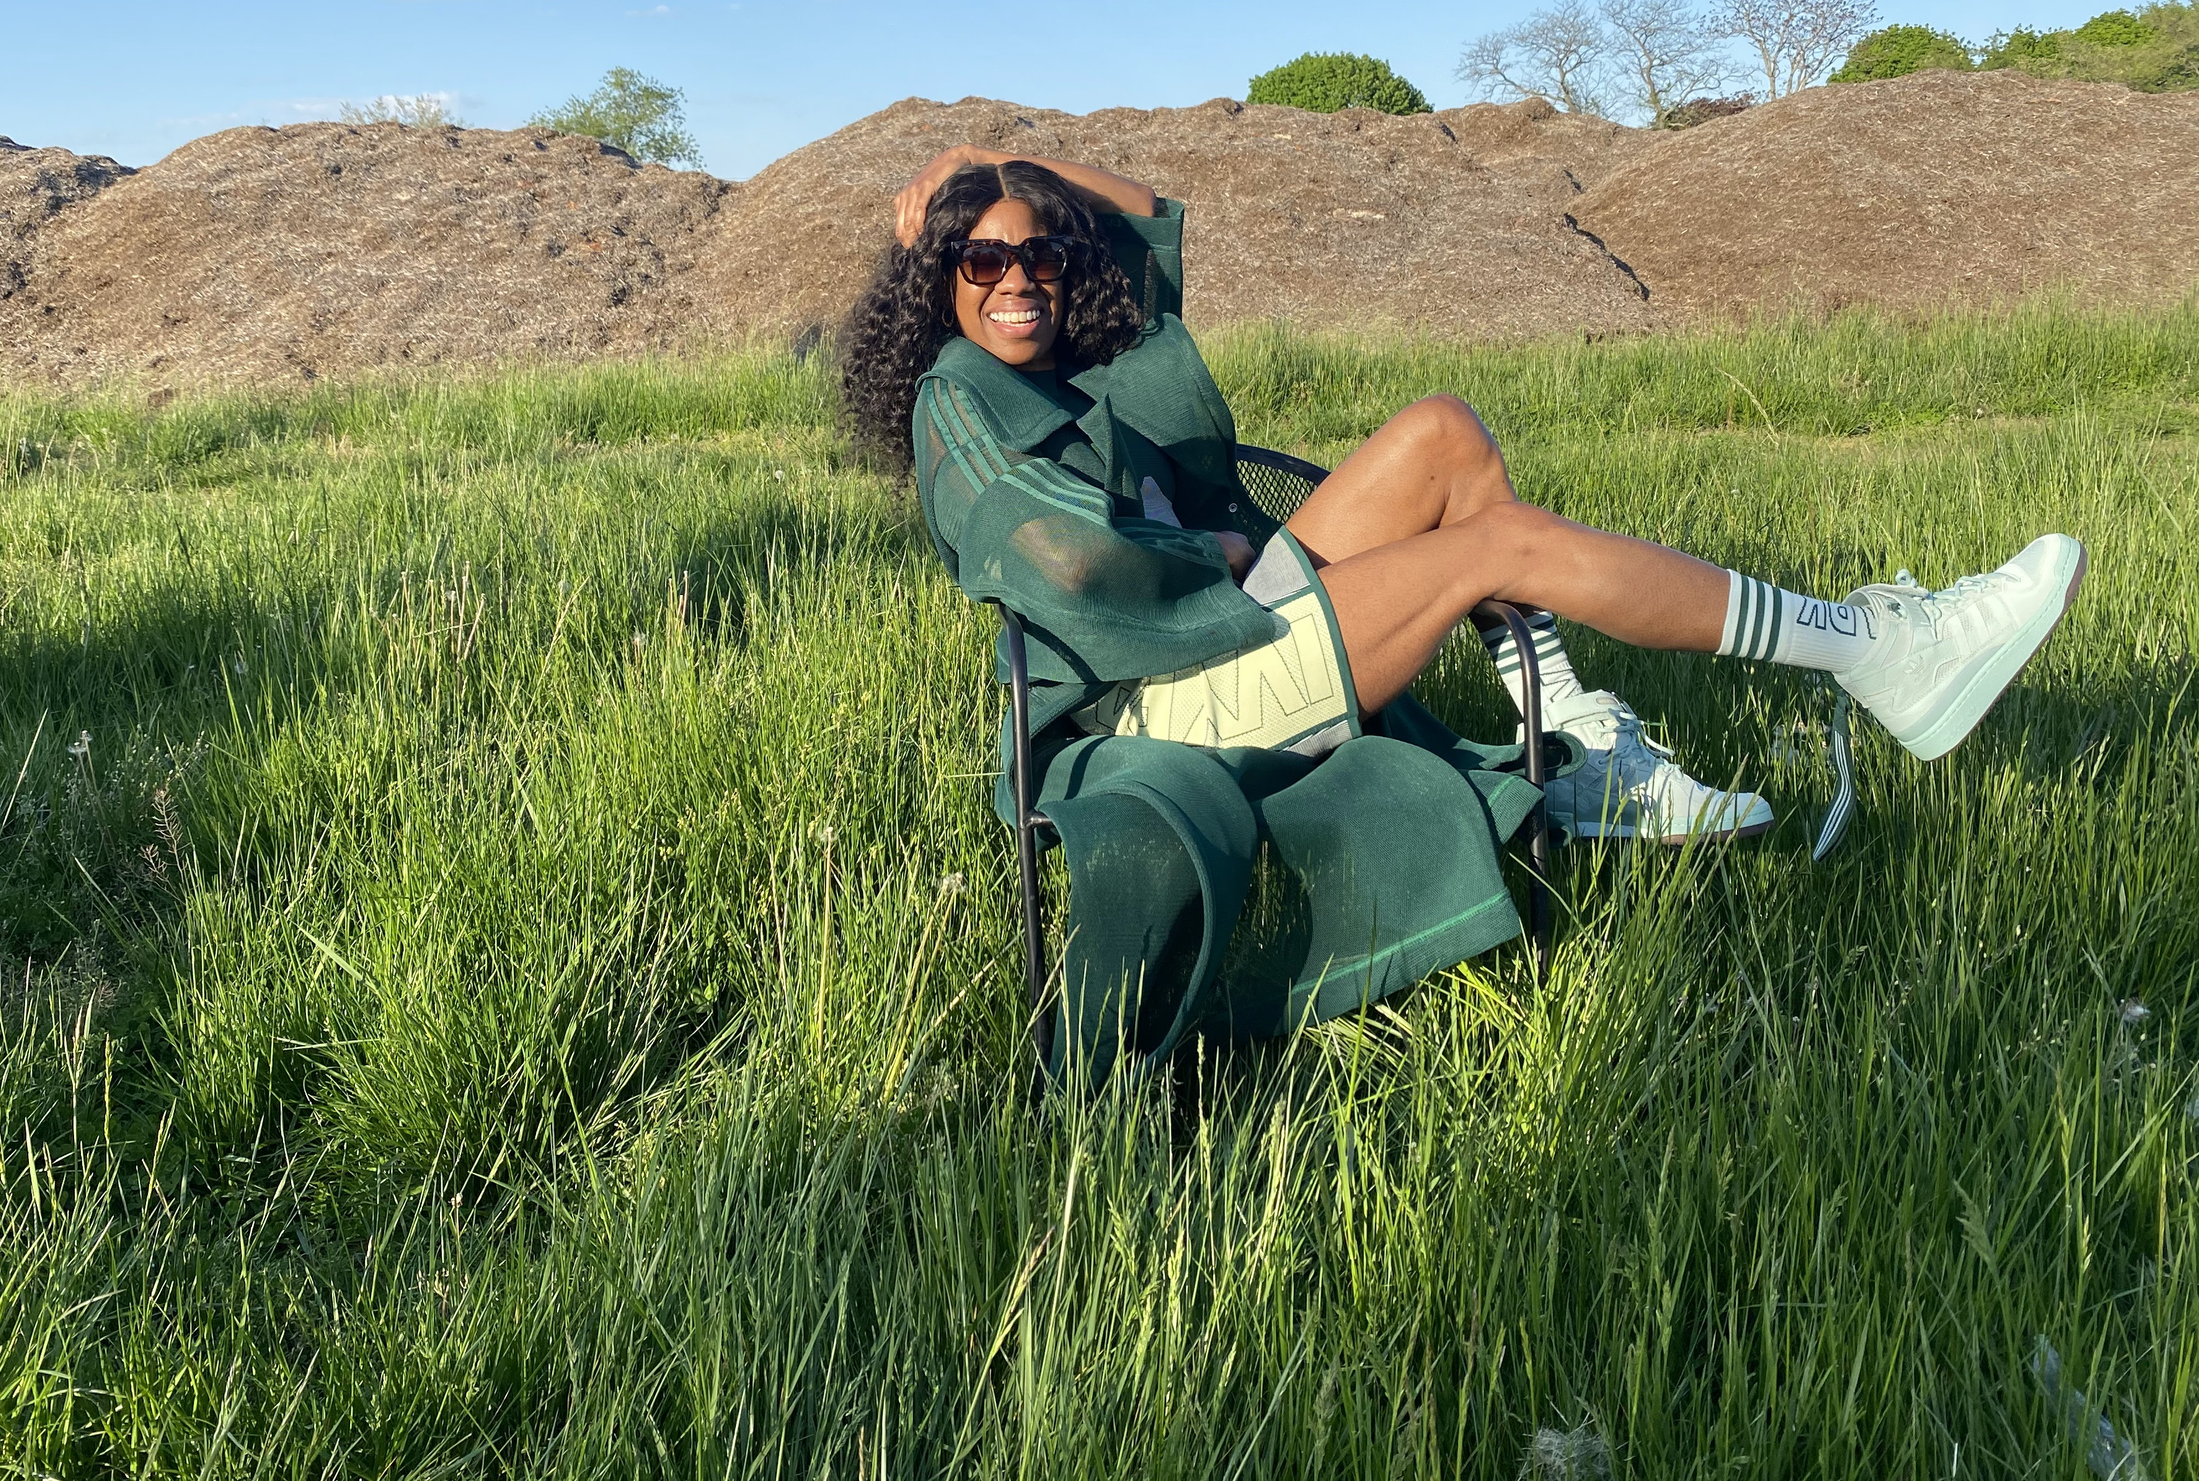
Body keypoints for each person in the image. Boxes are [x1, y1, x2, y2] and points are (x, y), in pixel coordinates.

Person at [840, 150, 2083, 1074]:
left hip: (1220, 619)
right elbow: (1058, 559)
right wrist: (1211, 546)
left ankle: (1584, 744)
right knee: (1498, 547)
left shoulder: (1082, 356)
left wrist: (986, 155)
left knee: (1441, 433)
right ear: (934, 284)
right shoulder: (956, 403)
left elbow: (1144, 220)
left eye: (1038, 255)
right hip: (1167, 687)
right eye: (980, 259)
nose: (1018, 280)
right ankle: (1879, 652)